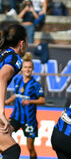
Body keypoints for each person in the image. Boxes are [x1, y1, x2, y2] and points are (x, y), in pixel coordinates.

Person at [5, 52, 45, 159]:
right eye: (25, 67)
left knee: (30, 147)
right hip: (16, 117)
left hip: (29, 120)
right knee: (5, 133)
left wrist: (30, 101)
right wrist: (6, 102)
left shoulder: (35, 85)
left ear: (32, 69)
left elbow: (42, 100)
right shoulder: (17, 80)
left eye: (30, 67)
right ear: (22, 69)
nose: (27, 69)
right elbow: (16, 95)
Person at [0, 24, 28, 159]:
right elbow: (1, 78)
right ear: (21, 43)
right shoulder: (15, 58)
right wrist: (1, 113)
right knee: (12, 150)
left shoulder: (2, 53)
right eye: (27, 42)